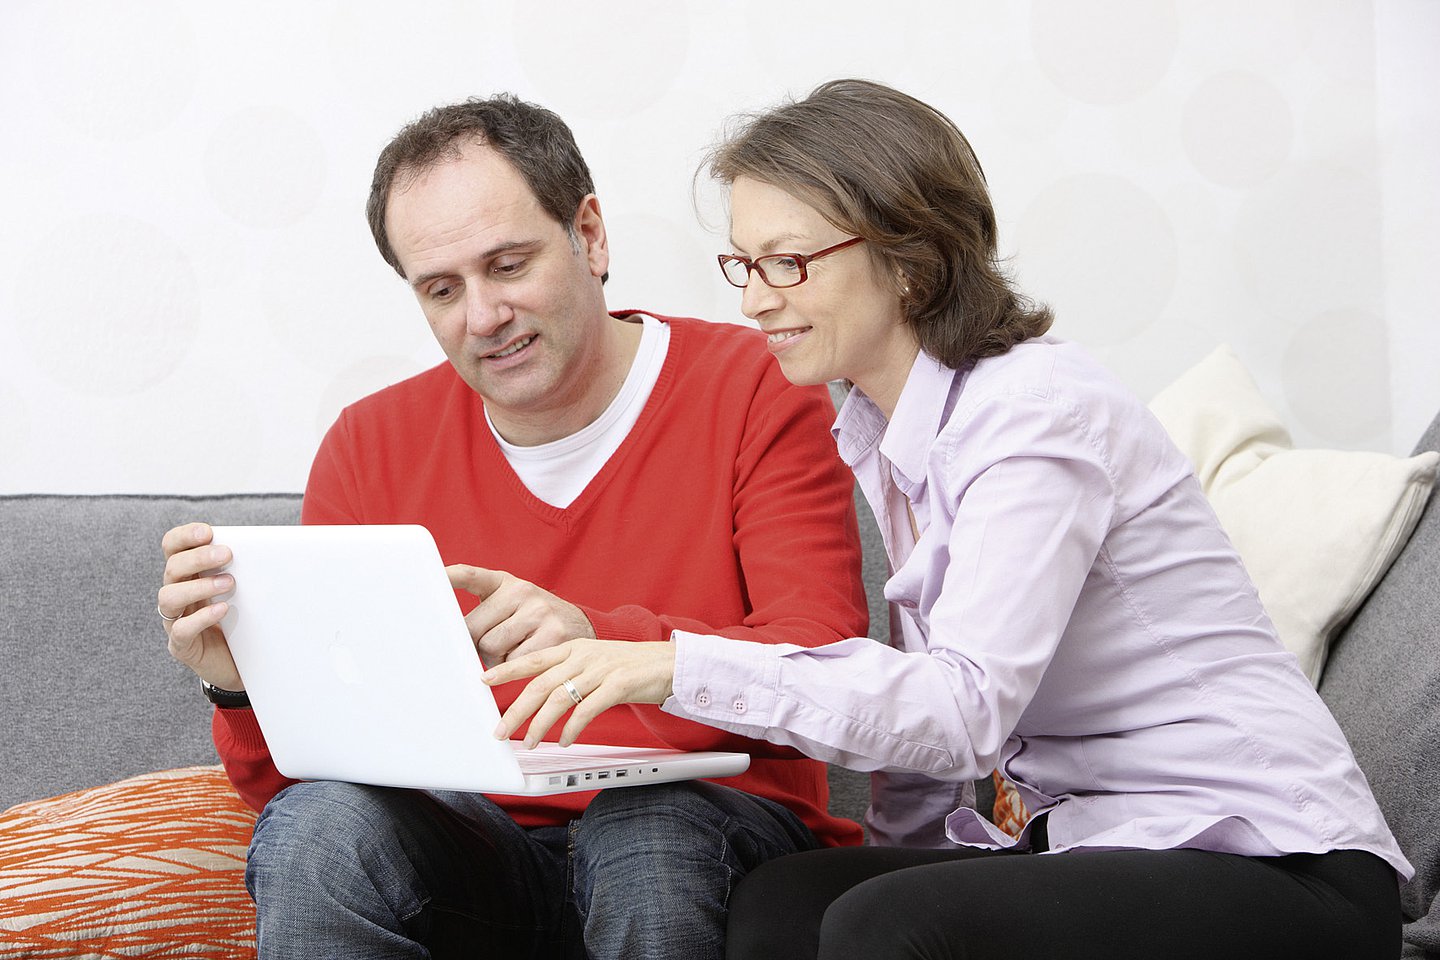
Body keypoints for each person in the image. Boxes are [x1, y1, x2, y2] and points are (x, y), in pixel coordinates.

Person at [482, 79, 1413, 959]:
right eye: (745, 262)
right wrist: (896, 853)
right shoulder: (884, 426)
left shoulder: (1034, 415)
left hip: (1278, 864)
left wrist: (676, 665)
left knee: (892, 923)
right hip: (1097, 842)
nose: (755, 298)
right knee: (783, 906)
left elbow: (962, 711)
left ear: (910, 259)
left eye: (789, 262)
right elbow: (920, 721)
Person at [156, 93, 870, 960]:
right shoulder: (368, 446)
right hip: (482, 857)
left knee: (645, 830)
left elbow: (825, 664)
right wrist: (242, 685)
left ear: (592, 236)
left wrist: (599, 647)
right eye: (442, 289)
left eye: (508, 264)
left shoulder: (759, 387)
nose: (483, 317)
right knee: (319, 830)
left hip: (710, 838)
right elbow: (302, 782)